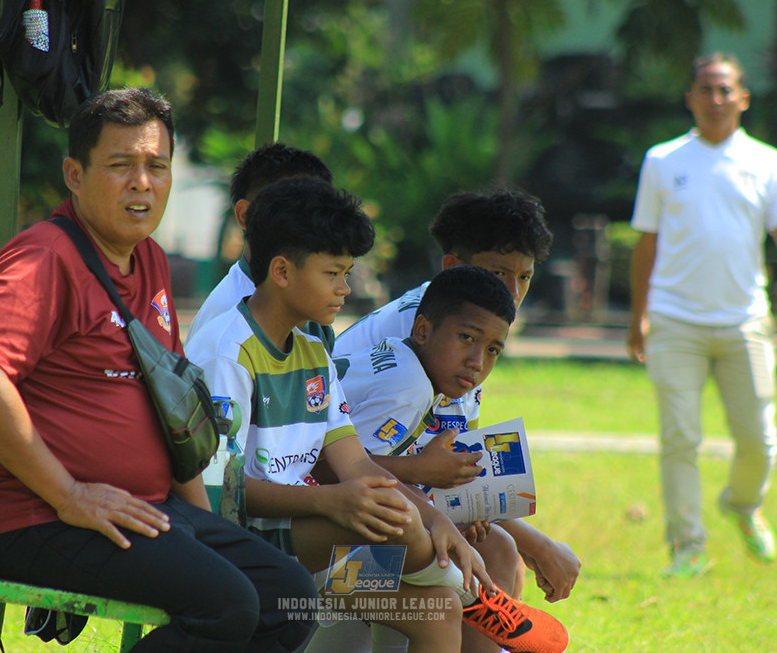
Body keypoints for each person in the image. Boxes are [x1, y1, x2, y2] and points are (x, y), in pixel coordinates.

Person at [0, 88, 317, 652]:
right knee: (227, 605)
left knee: (289, 598)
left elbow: (170, 408)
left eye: (157, 167)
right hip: (33, 517)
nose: (142, 183)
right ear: (75, 175)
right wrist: (69, 494)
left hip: (146, 508)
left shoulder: (150, 260)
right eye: (121, 165)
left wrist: (205, 528)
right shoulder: (45, 258)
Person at [186, 177, 568, 653]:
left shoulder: (311, 350)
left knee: (436, 606)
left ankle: (465, 592)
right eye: (333, 273)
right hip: (254, 549)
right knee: (398, 521)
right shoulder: (228, 353)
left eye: (347, 272)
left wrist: (437, 520)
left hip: (314, 546)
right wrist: (334, 502)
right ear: (281, 271)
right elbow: (221, 495)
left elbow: (357, 464)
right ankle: (473, 591)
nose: (345, 288)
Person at [627, 53, 777, 579]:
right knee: (680, 437)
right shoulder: (663, 160)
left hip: (745, 320)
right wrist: (638, 318)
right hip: (674, 320)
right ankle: (687, 547)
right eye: (706, 89)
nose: (716, 99)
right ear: (690, 98)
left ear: (743, 98)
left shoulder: (768, 162)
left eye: (725, 90)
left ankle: (742, 504)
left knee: (761, 440)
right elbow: (645, 245)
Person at [334, 189, 580, 605]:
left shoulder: (468, 329)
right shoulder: (428, 346)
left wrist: (504, 529)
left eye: (524, 277)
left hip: (383, 502)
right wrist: (538, 546)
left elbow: (457, 463)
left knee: (497, 550)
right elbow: (344, 468)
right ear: (453, 267)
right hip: (343, 530)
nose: (512, 292)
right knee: (478, 567)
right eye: (499, 272)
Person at [335, 264, 558, 653]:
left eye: (492, 350)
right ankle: (474, 598)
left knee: (496, 547)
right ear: (422, 330)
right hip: (327, 558)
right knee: (441, 583)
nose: (477, 361)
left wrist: (457, 507)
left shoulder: (423, 372)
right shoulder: (407, 385)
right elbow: (337, 472)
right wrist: (421, 474)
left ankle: (478, 600)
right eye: (466, 338)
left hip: (350, 533)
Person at [183, 142, 335, 354]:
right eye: (294, 211)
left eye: (319, 212)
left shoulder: (309, 302)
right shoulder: (228, 325)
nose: (311, 226)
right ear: (245, 215)